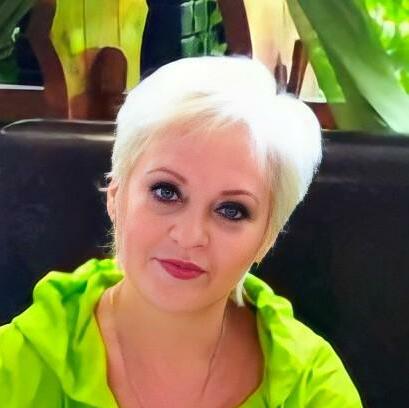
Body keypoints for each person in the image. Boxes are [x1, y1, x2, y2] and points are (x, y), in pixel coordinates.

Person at [0, 56, 362, 407]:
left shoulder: (313, 389)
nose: (190, 236)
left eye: (231, 210)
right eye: (166, 192)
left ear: (266, 238)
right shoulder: (16, 364)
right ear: (116, 196)